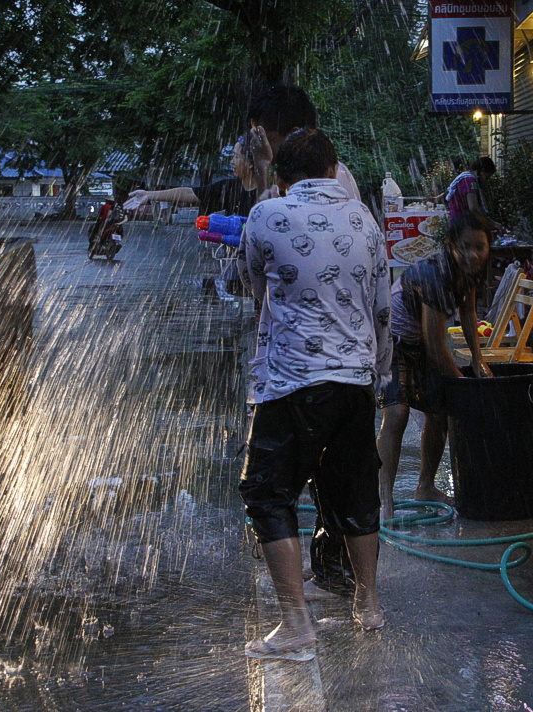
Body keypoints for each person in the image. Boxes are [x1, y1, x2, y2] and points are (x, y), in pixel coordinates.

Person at [237, 128, 392, 660]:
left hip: (292, 382)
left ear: (279, 177)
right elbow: (381, 305)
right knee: (354, 492)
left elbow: (256, 286)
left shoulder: (265, 216)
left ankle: (297, 625)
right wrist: (378, 373)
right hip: (355, 383)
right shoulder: (365, 219)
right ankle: (368, 606)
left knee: (267, 493)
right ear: (333, 170)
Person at [245, 83, 363, 599]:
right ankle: (349, 586)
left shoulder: (321, 183)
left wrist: (261, 176)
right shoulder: (329, 180)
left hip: (310, 362)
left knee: (279, 484)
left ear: (281, 132)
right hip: (343, 359)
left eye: (260, 134)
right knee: (334, 473)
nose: (255, 142)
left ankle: (326, 581)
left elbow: (270, 260)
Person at [378, 212, 493, 520]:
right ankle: (384, 499)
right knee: (397, 413)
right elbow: (435, 345)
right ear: (451, 245)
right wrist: (463, 383)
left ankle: (425, 487)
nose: (473, 254)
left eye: (480, 247)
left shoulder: (470, 271)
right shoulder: (435, 275)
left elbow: (468, 313)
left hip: (421, 343)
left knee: (439, 412)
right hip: (395, 342)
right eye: (465, 247)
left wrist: (478, 360)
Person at [246, 83, 361, 203]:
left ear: (294, 135)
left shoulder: (324, 174)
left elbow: (266, 218)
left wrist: (262, 165)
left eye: (262, 136)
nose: (258, 145)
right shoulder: (295, 172)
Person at [123, 134, 258, 217]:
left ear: (251, 163)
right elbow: (189, 193)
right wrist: (149, 194)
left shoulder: (269, 194)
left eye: (236, 156)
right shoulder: (229, 188)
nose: (232, 161)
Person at [445, 157, 496, 222]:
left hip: (457, 220)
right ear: (482, 171)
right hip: (462, 224)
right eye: (487, 177)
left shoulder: (464, 177)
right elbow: (473, 208)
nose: (485, 181)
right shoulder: (470, 181)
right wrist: (490, 223)